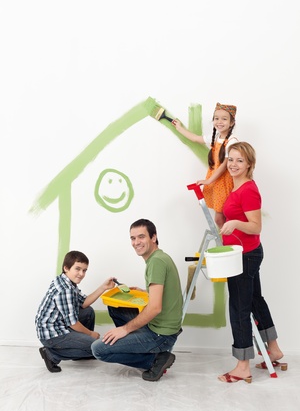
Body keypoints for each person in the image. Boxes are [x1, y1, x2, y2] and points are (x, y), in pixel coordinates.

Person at [218, 142, 286, 383]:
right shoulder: (235, 188)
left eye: (239, 160)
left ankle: (242, 365)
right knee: (254, 300)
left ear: (249, 164)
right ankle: (274, 348)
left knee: (239, 307)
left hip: (245, 255)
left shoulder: (248, 189)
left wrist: (234, 224)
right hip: (244, 253)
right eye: (230, 159)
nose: (234, 164)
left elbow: (256, 226)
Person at [91, 219, 183, 382]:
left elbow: (155, 308)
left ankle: (155, 359)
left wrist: (125, 330)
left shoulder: (156, 262)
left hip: (161, 334)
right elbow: (162, 294)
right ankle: (141, 348)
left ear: (153, 237)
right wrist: (144, 291)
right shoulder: (158, 257)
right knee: (115, 307)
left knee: (98, 349)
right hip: (163, 326)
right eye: (133, 238)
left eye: (141, 237)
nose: (136, 242)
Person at [35, 250, 115, 373]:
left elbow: (84, 303)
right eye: (77, 269)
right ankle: (51, 354)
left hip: (59, 324)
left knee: (88, 312)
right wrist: (90, 334)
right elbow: (73, 323)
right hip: (51, 334)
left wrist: (103, 287)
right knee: (97, 347)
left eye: (84, 270)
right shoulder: (65, 289)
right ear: (66, 268)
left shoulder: (67, 281)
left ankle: (82, 351)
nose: (81, 274)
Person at [173, 102, 238, 228]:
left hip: (224, 182)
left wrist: (208, 181)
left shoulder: (232, 141)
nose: (219, 121)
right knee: (221, 218)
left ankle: (229, 243)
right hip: (216, 180)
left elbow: (224, 165)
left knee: (222, 218)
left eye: (224, 119)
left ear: (231, 123)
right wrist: (180, 128)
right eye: (216, 118)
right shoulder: (216, 137)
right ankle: (227, 242)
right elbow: (196, 138)